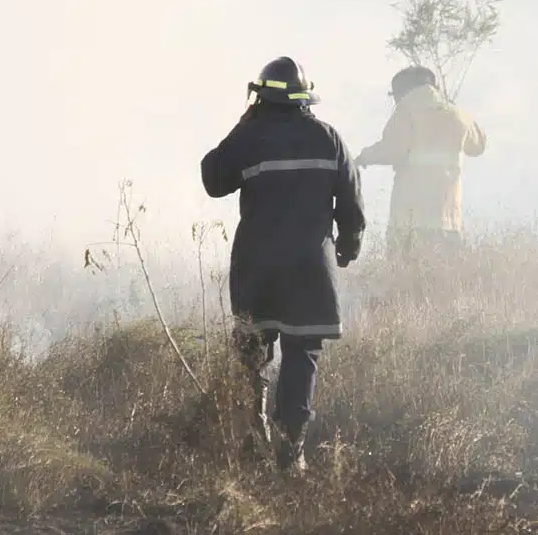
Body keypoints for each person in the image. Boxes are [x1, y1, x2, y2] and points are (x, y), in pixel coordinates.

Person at [200, 56, 365, 473]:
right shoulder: (329, 139)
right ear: (304, 98)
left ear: (261, 97)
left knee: (253, 349)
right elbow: (351, 204)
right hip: (310, 268)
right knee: (301, 351)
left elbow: (213, 180)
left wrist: (242, 124)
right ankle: (291, 452)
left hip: (257, 267)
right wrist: (347, 246)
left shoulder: (250, 136)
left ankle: (254, 439)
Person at [355, 65, 486, 261]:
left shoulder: (406, 112)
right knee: (444, 284)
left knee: (404, 283)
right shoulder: (457, 115)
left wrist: (364, 157)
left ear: (402, 91)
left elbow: (391, 150)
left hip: (409, 222)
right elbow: (478, 146)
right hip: (448, 222)